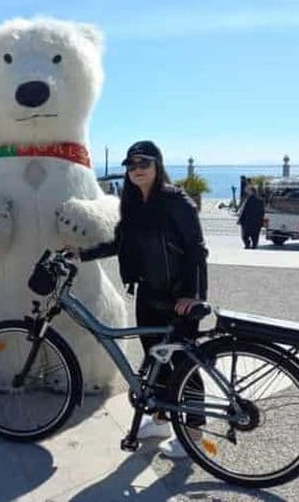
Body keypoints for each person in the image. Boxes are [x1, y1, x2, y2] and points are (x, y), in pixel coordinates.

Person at [75, 140, 208, 459]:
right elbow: (120, 243)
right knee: (154, 359)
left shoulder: (176, 201)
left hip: (178, 298)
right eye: (131, 165)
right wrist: (81, 254)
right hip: (148, 292)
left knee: (184, 364)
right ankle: (162, 420)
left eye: (143, 164)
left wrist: (194, 295)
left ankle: (194, 434)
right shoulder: (133, 202)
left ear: (157, 165)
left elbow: (197, 249)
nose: (136, 170)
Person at [236, 184, 264, 248]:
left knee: (249, 236)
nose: (246, 191)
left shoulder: (256, 200)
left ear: (251, 191)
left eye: (248, 190)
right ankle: (250, 245)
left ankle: (250, 245)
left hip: (251, 221)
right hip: (250, 222)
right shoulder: (248, 199)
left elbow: (261, 212)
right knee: (249, 236)